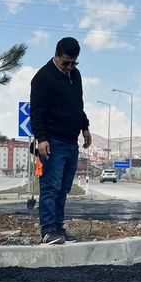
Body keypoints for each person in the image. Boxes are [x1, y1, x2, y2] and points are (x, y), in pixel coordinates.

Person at [29, 36, 92, 245]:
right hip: (52, 143)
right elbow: (36, 112)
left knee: (63, 189)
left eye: (74, 63)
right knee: (50, 188)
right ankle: (48, 230)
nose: (69, 67)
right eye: (66, 63)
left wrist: (85, 127)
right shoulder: (42, 78)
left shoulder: (76, 75)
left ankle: (58, 227)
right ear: (56, 56)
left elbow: (78, 105)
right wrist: (41, 139)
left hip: (71, 143)